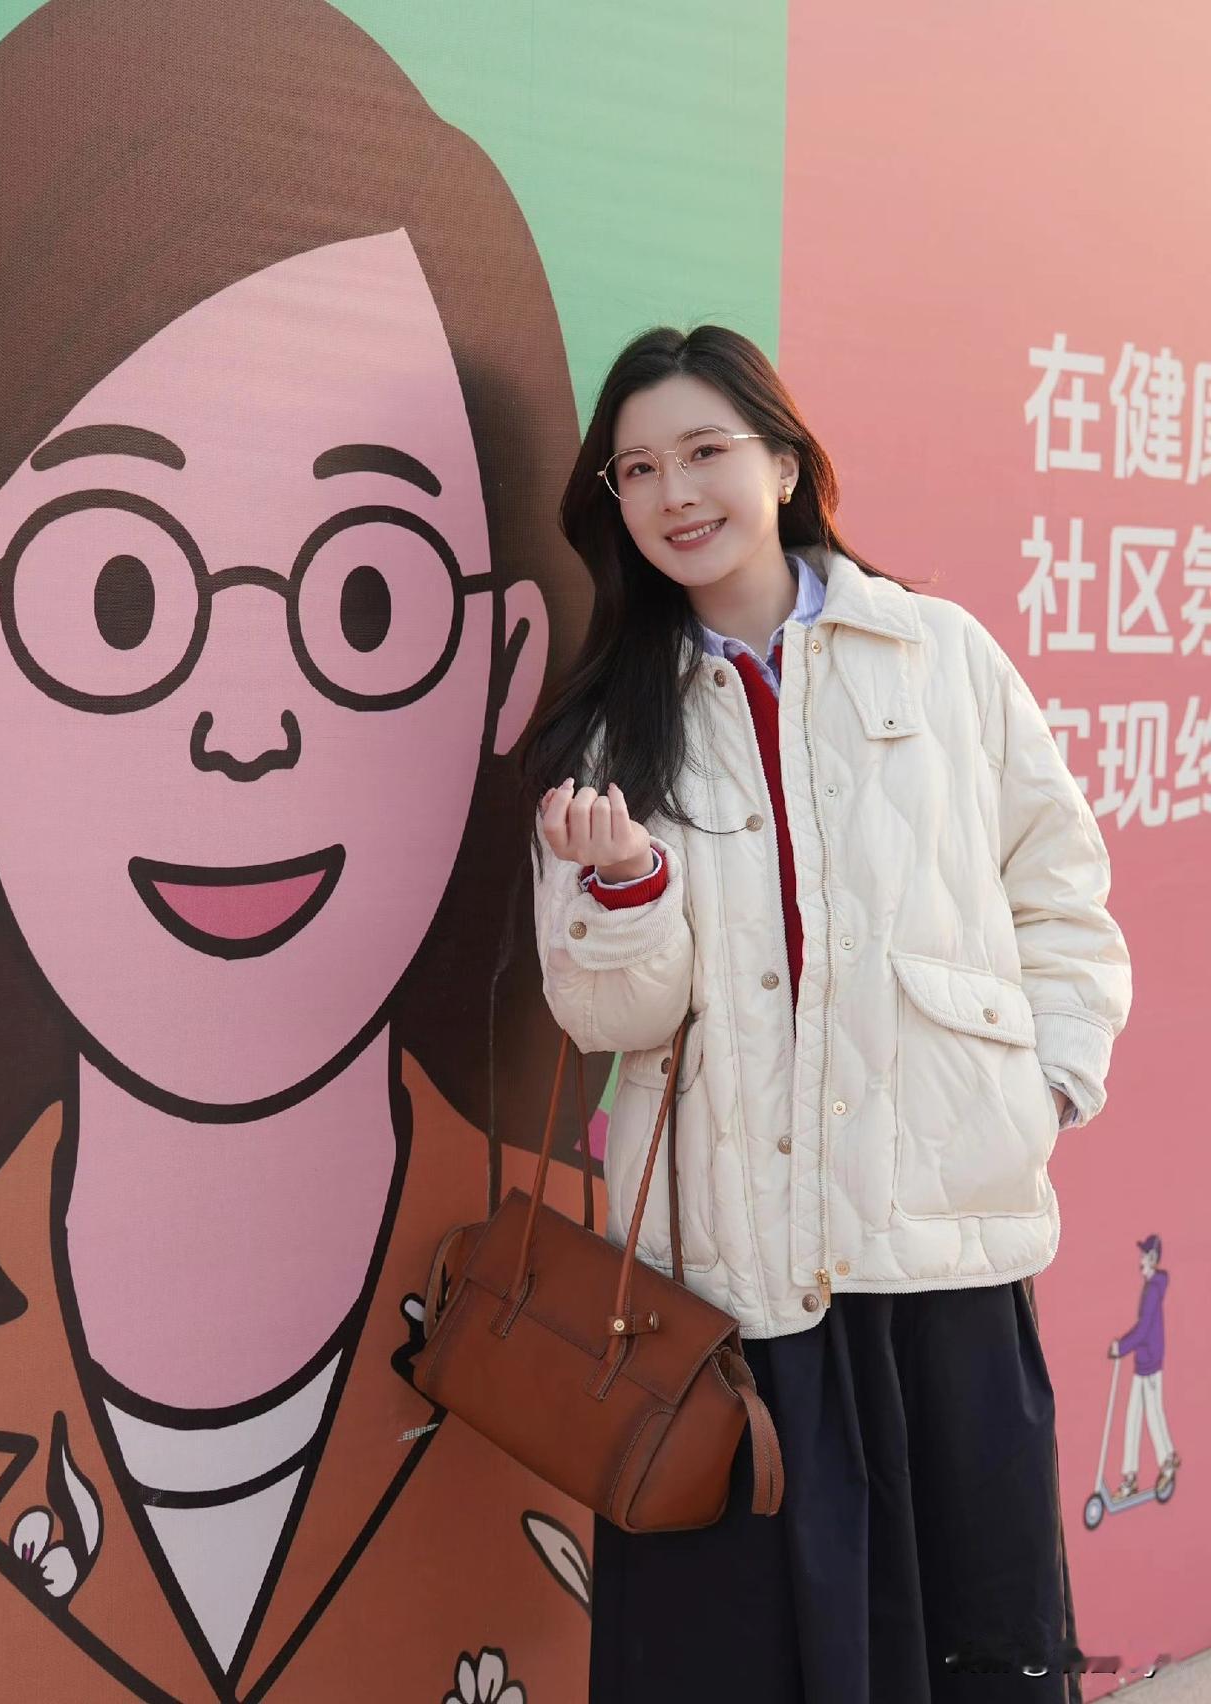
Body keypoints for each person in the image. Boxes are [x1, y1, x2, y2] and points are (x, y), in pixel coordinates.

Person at [0, 3, 602, 1698]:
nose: (247, 723)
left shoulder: (588, 1295)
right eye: (120, 594)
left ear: (508, 665)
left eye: (365, 596)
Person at [522, 324, 1132, 1702]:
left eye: (704, 452)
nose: (675, 493)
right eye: (636, 469)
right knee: (748, 1663)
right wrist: (627, 889)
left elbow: (1058, 888)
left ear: (785, 465)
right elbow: (603, 1014)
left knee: (966, 1646)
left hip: (938, 1260)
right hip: (734, 1285)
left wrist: (1041, 1088)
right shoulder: (609, 724)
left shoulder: (938, 655)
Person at [1108, 1234, 1179, 1497]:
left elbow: (1143, 1329)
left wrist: (1121, 1347)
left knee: (1153, 1414)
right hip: (1143, 1362)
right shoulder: (1151, 1286)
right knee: (1134, 1417)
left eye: (1144, 1255)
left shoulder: (1153, 1290)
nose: (1140, 1259)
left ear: (1152, 1258)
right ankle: (1130, 1477)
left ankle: (1167, 1460)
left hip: (1150, 1363)